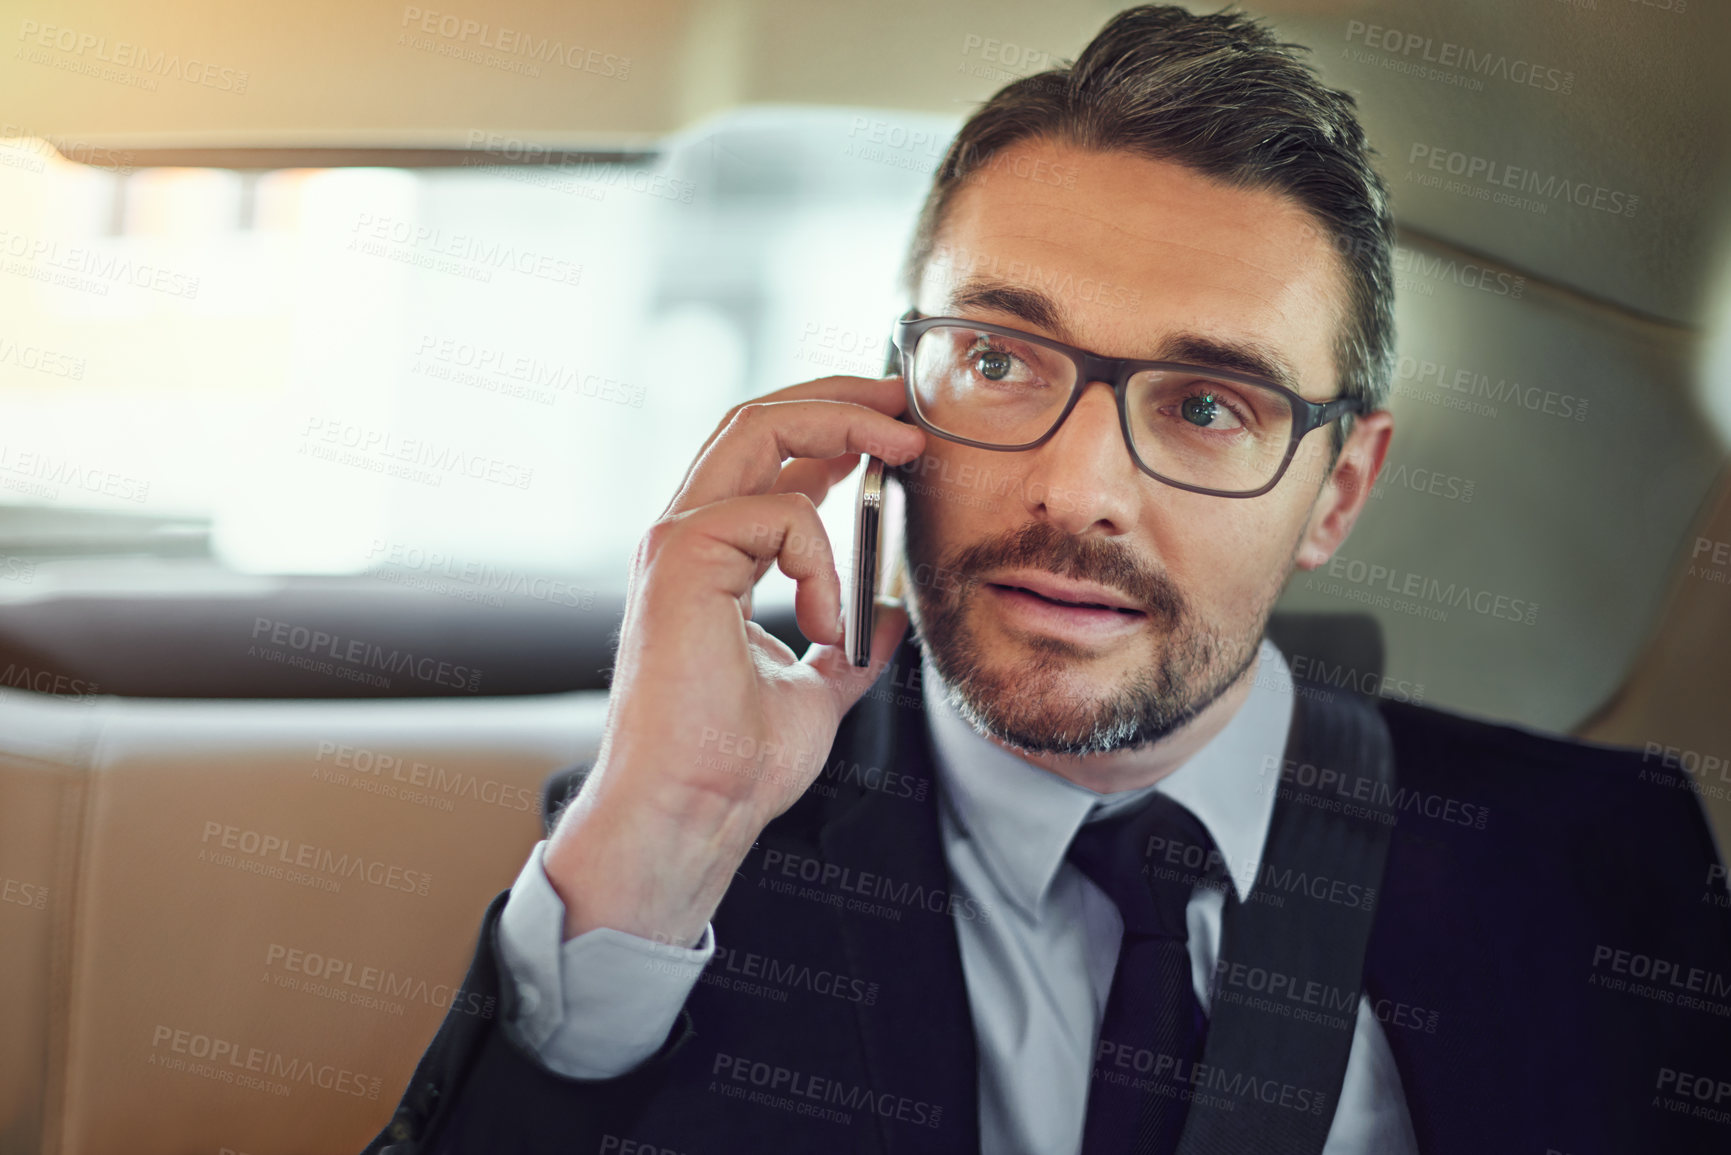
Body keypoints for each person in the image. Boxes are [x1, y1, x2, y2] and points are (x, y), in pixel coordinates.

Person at [366, 7, 1731, 1154]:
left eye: (1209, 405)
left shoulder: (1604, 869)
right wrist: (659, 835)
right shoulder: (681, 869)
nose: (1079, 489)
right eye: (1004, 362)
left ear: (1339, 494)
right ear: (893, 399)